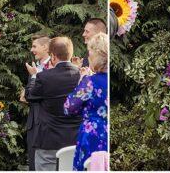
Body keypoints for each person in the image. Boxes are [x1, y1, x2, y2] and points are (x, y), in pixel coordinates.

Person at [26, 37, 82, 171]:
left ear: (52, 56)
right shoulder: (81, 76)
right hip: (74, 140)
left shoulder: (44, 77)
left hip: (48, 140)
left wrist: (33, 76)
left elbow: (30, 96)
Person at [64, 33, 108, 170]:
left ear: (97, 54)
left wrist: (82, 79)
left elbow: (68, 108)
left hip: (92, 137)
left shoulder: (90, 82)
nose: (88, 56)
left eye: (90, 52)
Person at [22, 34, 52, 170]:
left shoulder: (54, 67)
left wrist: (34, 78)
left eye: (34, 46)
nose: (31, 50)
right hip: (33, 123)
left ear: (45, 47)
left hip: (50, 124)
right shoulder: (34, 67)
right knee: (33, 164)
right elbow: (29, 95)